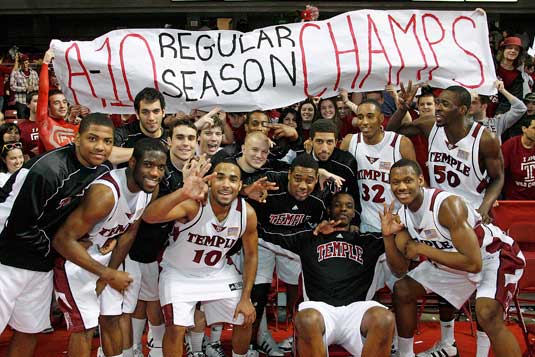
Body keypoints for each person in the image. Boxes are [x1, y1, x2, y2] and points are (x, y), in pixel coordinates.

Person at [387, 83, 505, 356]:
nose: (437, 108)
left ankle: (462, 345)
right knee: (440, 276)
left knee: (478, 288)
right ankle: (447, 341)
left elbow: (498, 177)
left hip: (470, 216)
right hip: (434, 211)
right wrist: (403, 107)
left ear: (462, 110)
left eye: (445, 105)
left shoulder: (483, 138)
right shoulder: (431, 125)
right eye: (437, 103)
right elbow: (392, 134)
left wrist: (486, 205)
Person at [382, 159, 525, 357]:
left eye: (408, 180)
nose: (402, 187)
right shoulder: (403, 216)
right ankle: (405, 354)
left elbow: (474, 264)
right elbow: (399, 269)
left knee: (487, 314)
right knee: (403, 289)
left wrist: (423, 248)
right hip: (453, 263)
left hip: (493, 256)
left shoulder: (446, 206)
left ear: (421, 181)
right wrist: (387, 236)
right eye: (395, 182)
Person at [0, 113, 114, 357]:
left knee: (29, 331)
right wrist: (65, 244)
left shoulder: (102, 170)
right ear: (77, 138)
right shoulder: (48, 170)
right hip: (6, 258)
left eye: (107, 141)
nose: (100, 147)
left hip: (42, 264)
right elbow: (18, 228)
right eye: (93, 138)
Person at [52, 138, 168, 357]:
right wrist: (107, 274)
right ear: (132, 163)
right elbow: (62, 240)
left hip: (105, 258)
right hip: (74, 260)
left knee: (112, 317)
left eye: (160, 167)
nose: (155, 173)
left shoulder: (150, 188)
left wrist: (108, 274)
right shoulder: (105, 194)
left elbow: (130, 231)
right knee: (84, 328)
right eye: (149, 165)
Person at [143, 159, 258, 357]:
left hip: (217, 272)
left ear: (240, 186)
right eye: (220, 177)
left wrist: (246, 298)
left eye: (232, 180)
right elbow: (149, 216)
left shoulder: (246, 213)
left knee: (246, 316)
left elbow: (251, 255)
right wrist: (183, 192)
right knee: (176, 328)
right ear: (211, 181)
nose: (226, 184)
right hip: (179, 273)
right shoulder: (194, 205)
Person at [259, 192, 397, 357]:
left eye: (349, 206)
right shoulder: (309, 239)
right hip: (320, 310)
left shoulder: (369, 241)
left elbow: (405, 251)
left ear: (354, 213)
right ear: (329, 210)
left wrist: (393, 233)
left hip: (357, 310)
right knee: (306, 318)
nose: (343, 209)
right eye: (338, 204)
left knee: (385, 318)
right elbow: (266, 236)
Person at [244, 154, 327, 356]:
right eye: (297, 178)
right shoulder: (270, 183)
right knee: (258, 293)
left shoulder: (322, 196)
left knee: (298, 291)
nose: (303, 186)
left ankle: (296, 335)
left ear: (317, 179)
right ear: (288, 175)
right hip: (262, 241)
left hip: (291, 245)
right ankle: (255, 341)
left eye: (309, 180)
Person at [129, 120, 199, 356]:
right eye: (180, 137)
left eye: (191, 138)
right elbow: (146, 213)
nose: (186, 143)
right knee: (142, 300)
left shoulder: (198, 170)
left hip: (171, 249)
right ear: (169, 141)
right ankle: (142, 346)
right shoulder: (157, 167)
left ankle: (152, 343)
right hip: (140, 244)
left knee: (152, 298)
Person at [340, 98, 415, 293]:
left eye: (370, 116)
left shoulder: (400, 144)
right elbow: (336, 172)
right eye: (360, 117)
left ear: (381, 118)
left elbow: (416, 187)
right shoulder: (350, 142)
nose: (364, 122)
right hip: (365, 225)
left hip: (396, 224)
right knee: (365, 286)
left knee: (400, 285)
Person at [110, 87, 168, 165]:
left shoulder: (170, 137)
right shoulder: (124, 134)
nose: (151, 118)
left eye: (156, 112)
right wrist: (152, 152)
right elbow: (108, 154)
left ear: (163, 112)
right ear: (137, 114)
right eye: (145, 112)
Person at [36, 49, 79, 153]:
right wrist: (45, 63)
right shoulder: (44, 122)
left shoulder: (75, 126)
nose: (62, 106)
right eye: (56, 103)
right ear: (48, 107)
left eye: (64, 102)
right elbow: (43, 92)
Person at [502, 116, 535, 200]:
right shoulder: (510, 146)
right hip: (513, 199)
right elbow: (498, 173)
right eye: (534, 128)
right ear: (524, 129)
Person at [9, 53, 38, 118]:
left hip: (32, 101)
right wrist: (25, 88)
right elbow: (12, 87)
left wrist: (33, 88)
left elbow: (39, 85)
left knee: (33, 118)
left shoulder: (34, 73)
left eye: (27, 63)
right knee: (22, 119)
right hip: (21, 101)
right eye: (23, 63)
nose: (25, 65)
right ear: (20, 64)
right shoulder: (15, 73)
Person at [18, 91, 40, 157]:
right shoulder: (21, 127)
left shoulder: (52, 124)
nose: (39, 103)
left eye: (41, 101)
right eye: (36, 101)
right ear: (28, 104)